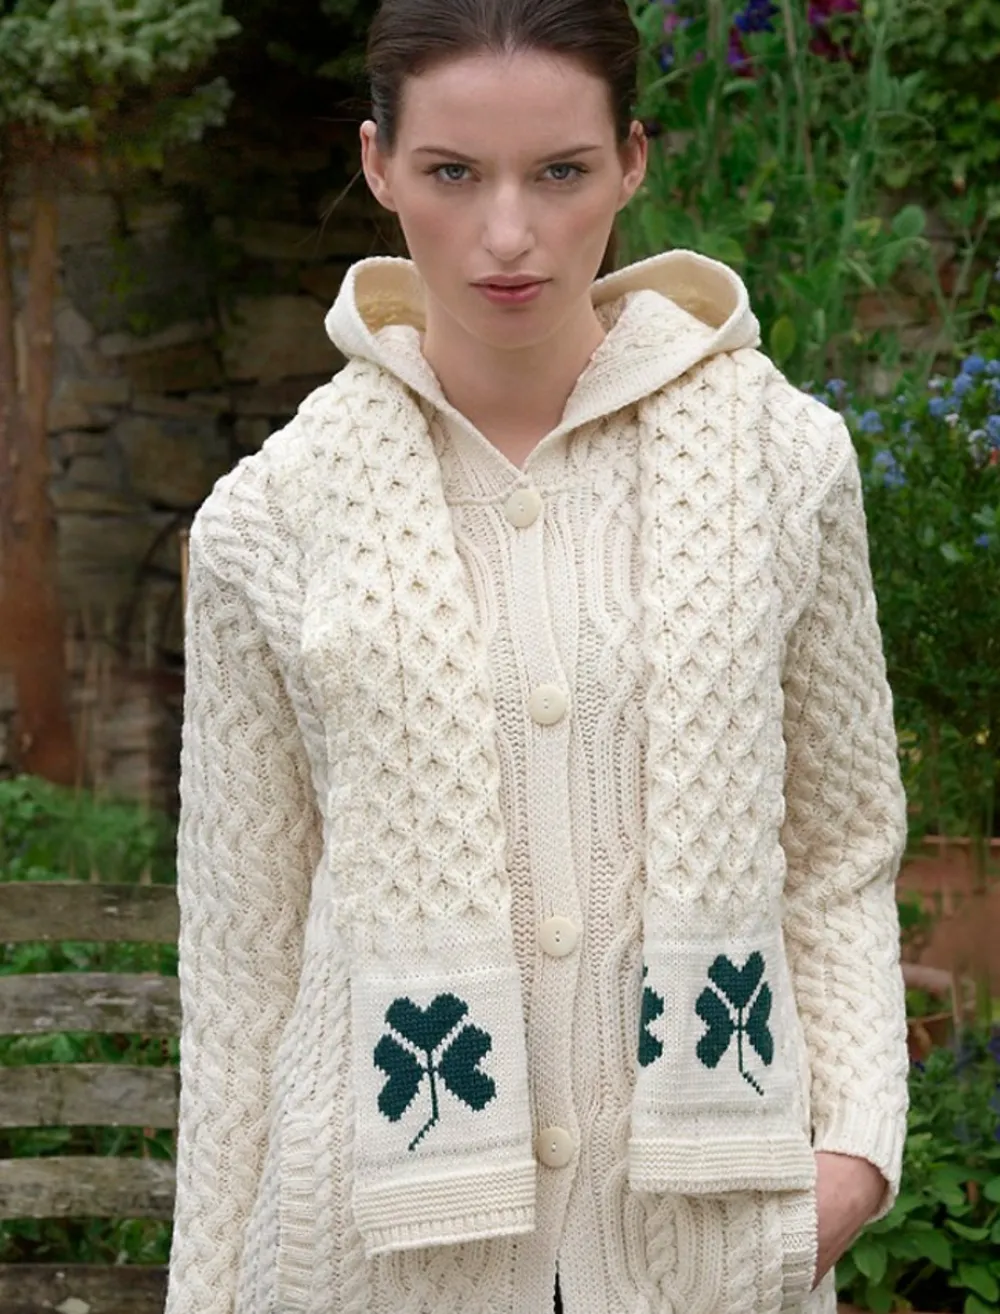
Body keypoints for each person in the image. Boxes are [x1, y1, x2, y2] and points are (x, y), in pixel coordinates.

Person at [164, 0, 910, 1311]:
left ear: (632, 161)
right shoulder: (272, 518)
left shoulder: (779, 461)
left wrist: (854, 1151)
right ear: (378, 165)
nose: (507, 233)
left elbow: (841, 846)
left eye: (559, 172)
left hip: (703, 1250)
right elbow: (242, 957)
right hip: (371, 1259)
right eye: (453, 172)